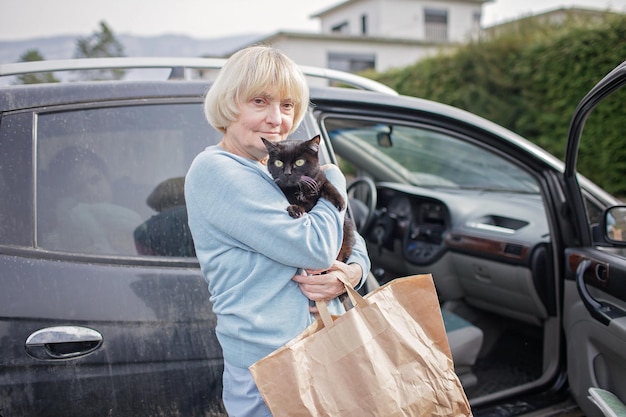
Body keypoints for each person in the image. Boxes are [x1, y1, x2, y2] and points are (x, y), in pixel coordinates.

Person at [184, 45, 371, 416]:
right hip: (271, 362)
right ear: (228, 103)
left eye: (287, 106)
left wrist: (351, 272)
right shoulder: (218, 170)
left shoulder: (269, 167)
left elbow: (351, 236)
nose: (276, 119)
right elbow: (317, 247)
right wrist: (331, 176)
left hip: (321, 344)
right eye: (259, 101)